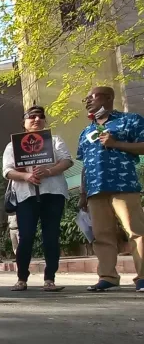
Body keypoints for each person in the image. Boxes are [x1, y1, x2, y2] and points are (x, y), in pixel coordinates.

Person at [77, 87, 144, 292]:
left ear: (108, 98)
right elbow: (85, 165)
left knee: (135, 231)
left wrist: (116, 143)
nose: (87, 101)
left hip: (123, 185)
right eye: (85, 99)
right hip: (96, 190)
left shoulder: (130, 120)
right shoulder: (86, 131)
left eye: (92, 97)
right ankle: (108, 277)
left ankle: (142, 277)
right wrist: (82, 193)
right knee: (102, 235)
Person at [3, 105, 73, 291]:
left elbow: (66, 160)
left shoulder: (55, 140)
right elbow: (7, 170)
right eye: (32, 117)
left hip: (53, 192)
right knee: (25, 237)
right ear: (24, 122)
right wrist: (26, 176)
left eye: (40, 117)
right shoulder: (13, 145)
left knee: (51, 236)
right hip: (26, 195)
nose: (36, 119)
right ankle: (21, 278)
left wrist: (49, 171)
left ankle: (50, 279)